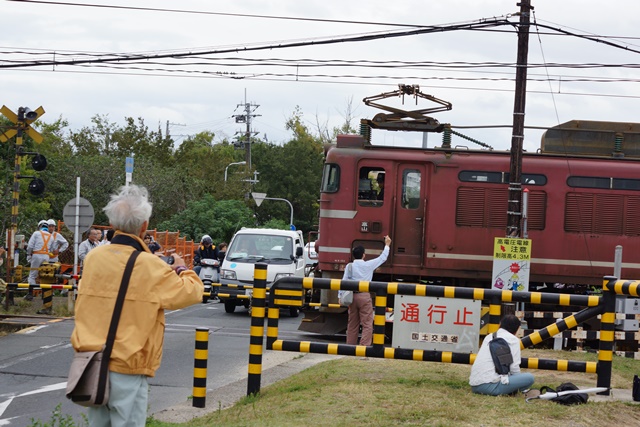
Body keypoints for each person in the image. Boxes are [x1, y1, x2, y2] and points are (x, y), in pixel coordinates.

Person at [70, 184, 203, 426]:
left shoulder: (93, 258)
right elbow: (192, 293)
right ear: (144, 227)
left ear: (112, 225)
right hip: (128, 365)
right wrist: (182, 268)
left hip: (92, 363)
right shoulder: (151, 266)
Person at [343, 235, 392, 346]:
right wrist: (387, 245)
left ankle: (349, 347)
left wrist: (340, 296)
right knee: (367, 323)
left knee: (352, 323)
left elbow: (343, 281)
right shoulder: (368, 265)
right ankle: (363, 346)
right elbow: (382, 258)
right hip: (364, 296)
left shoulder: (349, 266)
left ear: (354, 256)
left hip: (351, 297)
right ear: (364, 255)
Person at [469, 314, 535, 396]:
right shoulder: (513, 340)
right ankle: (511, 391)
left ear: (500, 324)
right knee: (529, 378)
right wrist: (518, 382)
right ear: (517, 329)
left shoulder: (489, 337)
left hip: (475, 385)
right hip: (491, 386)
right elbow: (514, 368)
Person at [25, 220, 53, 301]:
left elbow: (30, 246)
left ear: (40, 226)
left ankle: (30, 294)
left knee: (32, 275)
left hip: (37, 255)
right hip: (46, 256)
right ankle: (45, 295)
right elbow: (51, 248)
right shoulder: (51, 236)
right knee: (44, 275)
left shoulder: (36, 233)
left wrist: (29, 254)